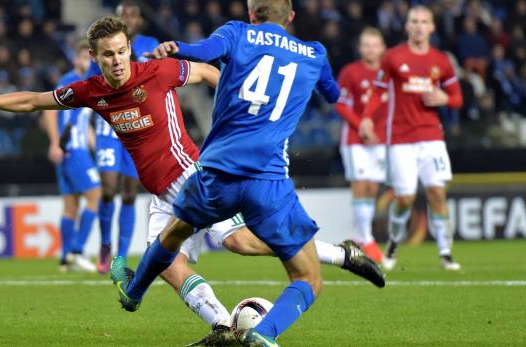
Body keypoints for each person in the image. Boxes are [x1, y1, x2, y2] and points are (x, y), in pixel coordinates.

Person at [0, 16, 383, 347]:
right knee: (167, 265)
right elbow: (35, 100)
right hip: (160, 193)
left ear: (130, 50)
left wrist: (238, 110)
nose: (118, 60)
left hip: (192, 176)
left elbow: (209, 74)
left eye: (122, 51)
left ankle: (341, 254)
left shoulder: (157, 72)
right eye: (108, 55)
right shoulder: (91, 91)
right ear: (94, 56)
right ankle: (222, 324)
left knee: (237, 242)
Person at [111, 1, 382, 345]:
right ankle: (263, 335)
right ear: (292, 17)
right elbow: (332, 94)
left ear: (252, 15)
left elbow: (202, 51)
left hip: (216, 173)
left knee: (172, 235)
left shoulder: (236, 33)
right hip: (267, 183)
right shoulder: (314, 53)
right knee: (307, 278)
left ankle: (133, 293)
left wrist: (177, 48)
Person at [361, 5, 463, 271]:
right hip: (401, 139)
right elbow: (378, 91)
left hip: (432, 137)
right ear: (407, 26)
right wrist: (368, 117)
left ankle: (446, 253)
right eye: (414, 21)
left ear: (432, 27)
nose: (419, 26)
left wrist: (444, 98)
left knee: (437, 193)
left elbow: (457, 98)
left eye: (424, 21)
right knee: (404, 198)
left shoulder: (441, 61)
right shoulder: (393, 57)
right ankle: (394, 241)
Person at [88, 1, 160, 273]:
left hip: (138, 126)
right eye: (123, 14)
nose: (129, 18)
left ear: (140, 21)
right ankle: (105, 245)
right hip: (110, 125)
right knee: (108, 190)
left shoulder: (151, 44)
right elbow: (90, 85)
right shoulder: (103, 48)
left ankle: (121, 254)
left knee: (129, 194)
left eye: (133, 14)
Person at [43, 40, 100, 273]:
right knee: (96, 196)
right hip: (71, 149)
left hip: (74, 149)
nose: (88, 62)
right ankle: (77, 251)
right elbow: (48, 109)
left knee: (70, 207)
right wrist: (55, 142)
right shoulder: (69, 82)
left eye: (91, 58)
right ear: (76, 59)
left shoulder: (89, 83)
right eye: (84, 58)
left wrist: (96, 146)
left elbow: (82, 122)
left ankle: (65, 259)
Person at [335, 27, 388, 262]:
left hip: (381, 139)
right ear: (360, 48)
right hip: (355, 139)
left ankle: (359, 236)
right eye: (366, 45)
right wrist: (362, 126)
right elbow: (341, 104)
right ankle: (368, 238)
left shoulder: (389, 73)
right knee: (360, 184)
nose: (370, 49)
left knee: (372, 189)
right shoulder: (350, 72)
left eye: (374, 45)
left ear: (382, 48)